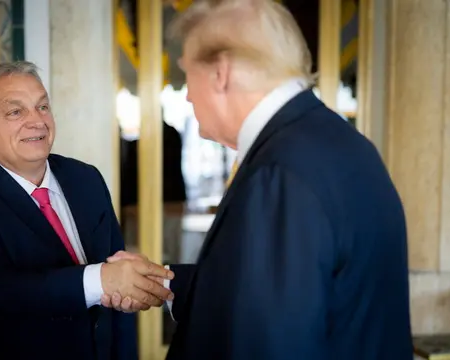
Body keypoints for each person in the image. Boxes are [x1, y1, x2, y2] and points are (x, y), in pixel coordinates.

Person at [103, 0, 412, 359]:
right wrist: (168, 283)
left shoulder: (279, 174)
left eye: (187, 73)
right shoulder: (340, 143)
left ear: (220, 73)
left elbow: (270, 342)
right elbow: (289, 290)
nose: (187, 94)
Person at [0, 61, 174, 360]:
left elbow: (115, 296)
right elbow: (0, 295)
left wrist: (124, 286)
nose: (37, 121)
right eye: (15, 112)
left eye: (42, 107)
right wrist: (103, 280)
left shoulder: (86, 179)